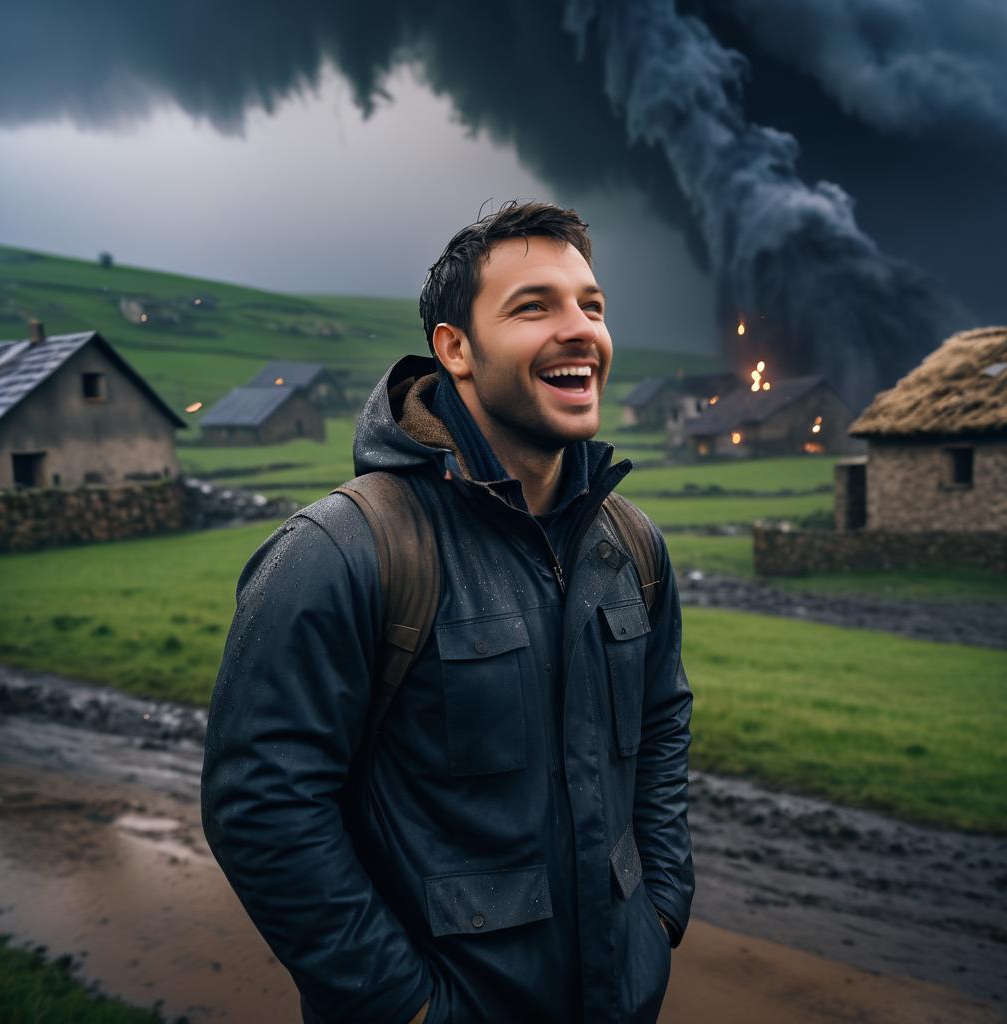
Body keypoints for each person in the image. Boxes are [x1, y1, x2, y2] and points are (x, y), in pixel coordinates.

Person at [201, 201, 694, 1024]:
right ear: (455, 349)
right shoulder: (343, 550)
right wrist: (407, 1007)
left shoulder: (631, 546)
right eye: (534, 306)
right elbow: (262, 806)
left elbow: (664, 720)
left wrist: (662, 906)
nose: (581, 330)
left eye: (593, 305)